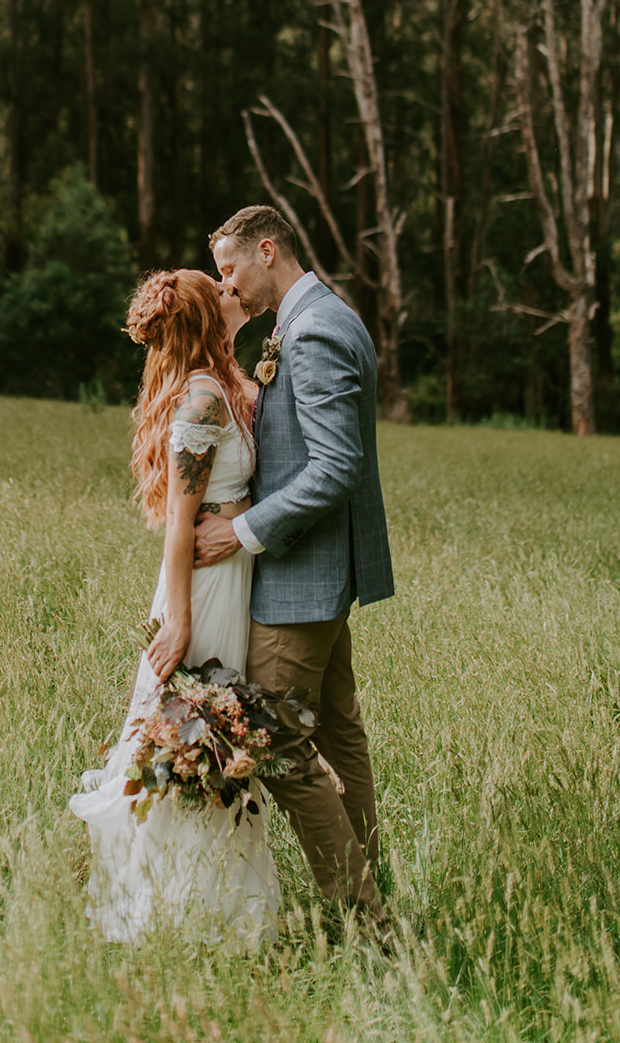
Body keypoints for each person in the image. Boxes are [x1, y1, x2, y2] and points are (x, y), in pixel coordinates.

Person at [69, 268, 281, 945]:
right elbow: (178, 523)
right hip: (203, 589)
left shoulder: (223, 385)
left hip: (232, 574)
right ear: (204, 318)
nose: (232, 290)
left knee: (218, 736)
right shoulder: (199, 400)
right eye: (220, 291)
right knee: (195, 733)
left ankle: (211, 896)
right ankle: (173, 905)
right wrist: (180, 620)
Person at [195, 205, 394, 921]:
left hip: (300, 577)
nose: (228, 285)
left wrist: (240, 532)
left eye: (229, 269)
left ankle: (366, 923)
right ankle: (373, 900)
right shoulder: (312, 317)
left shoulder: (311, 331)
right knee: (338, 737)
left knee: (273, 739)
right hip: (318, 573)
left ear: (266, 250)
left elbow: (334, 466)